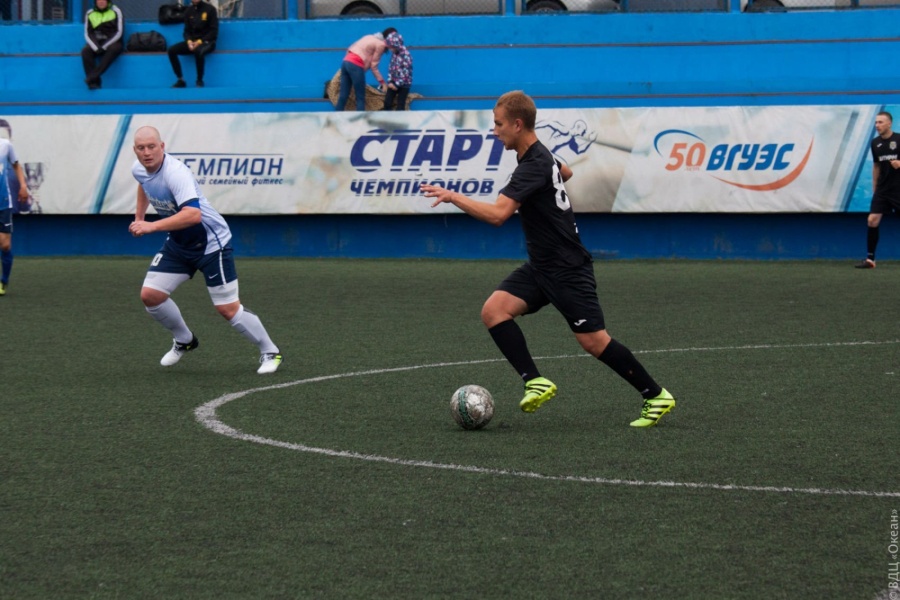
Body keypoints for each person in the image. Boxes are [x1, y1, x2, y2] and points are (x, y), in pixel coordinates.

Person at [422, 91, 676, 428]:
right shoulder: (540, 156)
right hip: (542, 265)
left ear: (517, 124)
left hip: (568, 268)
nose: (494, 131)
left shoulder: (532, 165)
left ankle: (655, 395)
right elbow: (565, 171)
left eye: (498, 124)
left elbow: (498, 215)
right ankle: (535, 381)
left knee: (594, 341)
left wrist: (453, 196)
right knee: (494, 311)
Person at [128, 126, 283, 374]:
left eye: (151, 147)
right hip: (179, 243)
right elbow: (143, 184)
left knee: (227, 309)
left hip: (212, 244)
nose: (146, 152)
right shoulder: (139, 168)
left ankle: (270, 351)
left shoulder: (175, 173)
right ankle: (185, 340)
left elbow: (193, 215)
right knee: (151, 296)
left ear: (162, 146)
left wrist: (151, 226)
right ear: (135, 150)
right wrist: (139, 218)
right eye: (141, 148)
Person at [855, 111, 900, 269]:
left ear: (889, 124)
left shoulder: (899, 139)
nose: (877, 125)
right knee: (872, 220)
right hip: (883, 190)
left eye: (880, 122)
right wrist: (875, 187)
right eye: (876, 122)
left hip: (898, 189)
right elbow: (876, 166)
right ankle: (870, 260)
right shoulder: (875, 143)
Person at [0, 121, 29, 297]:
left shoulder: (5, 146)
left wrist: (23, 186)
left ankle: (3, 281)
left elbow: (16, 165)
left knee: (5, 244)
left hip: (3, 202)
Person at [168, 0, 218, 88]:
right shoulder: (188, 11)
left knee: (198, 51)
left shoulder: (210, 9)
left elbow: (213, 32)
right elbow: (186, 31)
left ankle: (199, 80)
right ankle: (181, 80)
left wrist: (199, 42)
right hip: (193, 42)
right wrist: (189, 41)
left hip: (207, 42)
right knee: (171, 50)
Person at [335, 30, 389, 111]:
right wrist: (382, 83)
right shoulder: (381, 44)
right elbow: (374, 66)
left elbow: (351, 47)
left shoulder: (369, 36)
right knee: (360, 97)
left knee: (343, 95)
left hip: (346, 62)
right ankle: (361, 119)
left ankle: (336, 117)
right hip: (356, 65)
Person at [81, 0, 124, 90]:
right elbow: (88, 34)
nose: (101, 2)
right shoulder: (90, 13)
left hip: (113, 42)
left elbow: (119, 32)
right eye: (98, 0)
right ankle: (93, 83)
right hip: (97, 43)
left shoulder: (116, 11)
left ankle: (93, 76)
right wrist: (96, 47)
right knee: (86, 51)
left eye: (103, 0)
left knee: (113, 49)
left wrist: (104, 47)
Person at [382, 28, 413, 111]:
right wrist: (390, 81)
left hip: (404, 84)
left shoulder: (406, 55)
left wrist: (397, 84)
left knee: (400, 105)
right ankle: (387, 117)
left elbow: (405, 72)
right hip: (393, 82)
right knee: (387, 103)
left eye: (391, 47)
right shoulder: (394, 54)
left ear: (396, 45)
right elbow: (391, 68)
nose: (390, 49)